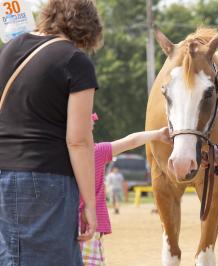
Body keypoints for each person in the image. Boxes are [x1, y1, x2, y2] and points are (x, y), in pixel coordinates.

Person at [0, 0, 102, 265]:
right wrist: (90, 204)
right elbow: (78, 140)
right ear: (88, 28)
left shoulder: (9, 49)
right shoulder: (74, 60)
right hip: (45, 180)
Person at [79, 113, 171, 265]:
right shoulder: (97, 152)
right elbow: (131, 141)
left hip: (65, 224)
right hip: (90, 227)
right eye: (90, 129)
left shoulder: (62, 156)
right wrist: (158, 134)